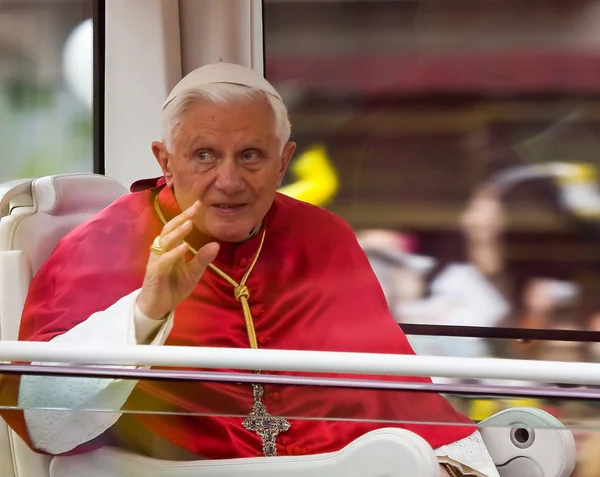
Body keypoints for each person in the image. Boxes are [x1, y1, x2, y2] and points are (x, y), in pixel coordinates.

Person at [0, 63, 500, 477]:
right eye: (203, 156)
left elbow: (391, 395)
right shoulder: (103, 246)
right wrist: (146, 311)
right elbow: (46, 425)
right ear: (164, 160)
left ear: (284, 163)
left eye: (251, 156)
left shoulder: (321, 236)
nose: (229, 180)